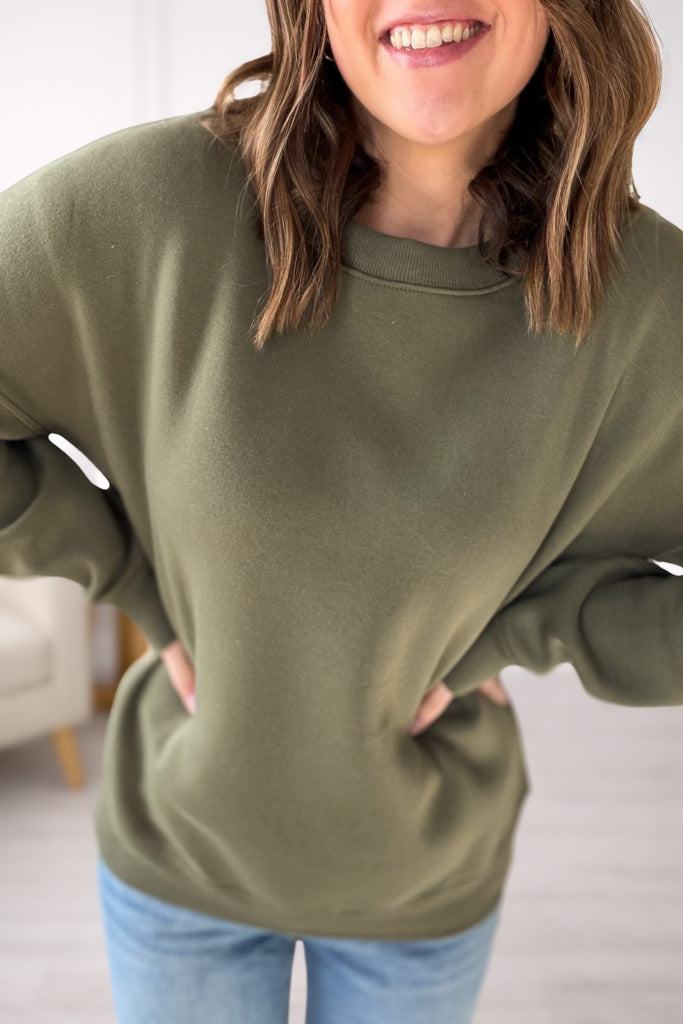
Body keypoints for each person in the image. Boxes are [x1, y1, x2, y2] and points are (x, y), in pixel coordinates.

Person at [1, 0, 680, 1021]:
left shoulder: (641, 305)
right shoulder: (150, 207)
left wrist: (525, 629)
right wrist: (136, 577)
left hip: (420, 885)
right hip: (181, 855)